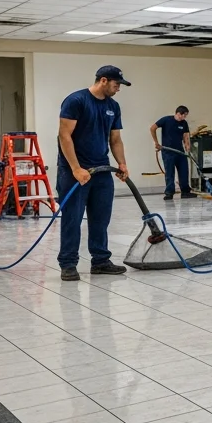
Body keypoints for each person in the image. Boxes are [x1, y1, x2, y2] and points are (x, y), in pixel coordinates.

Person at [56, 66, 131, 282]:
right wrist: (75, 168)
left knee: (101, 218)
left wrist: (122, 164)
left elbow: (115, 139)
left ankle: (100, 261)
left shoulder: (113, 106)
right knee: (72, 218)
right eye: (116, 85)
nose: (118, 89)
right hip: (74, 171)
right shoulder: (76, 101)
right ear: (104, 80)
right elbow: (64, 136)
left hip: (101, 170)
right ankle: (68, 264)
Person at [151, 105, 194, 200]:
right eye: (184, 115)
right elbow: (152, 128)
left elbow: (186, 135)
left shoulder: (184, 123)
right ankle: (169, 193)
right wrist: (156, 143)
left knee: (184, 171)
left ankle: (185, 192)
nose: (184, 117)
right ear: (178, 113)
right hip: (168, 152)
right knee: (170, 172)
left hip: (180, 152)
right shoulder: (166, 120)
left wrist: (187, 146)